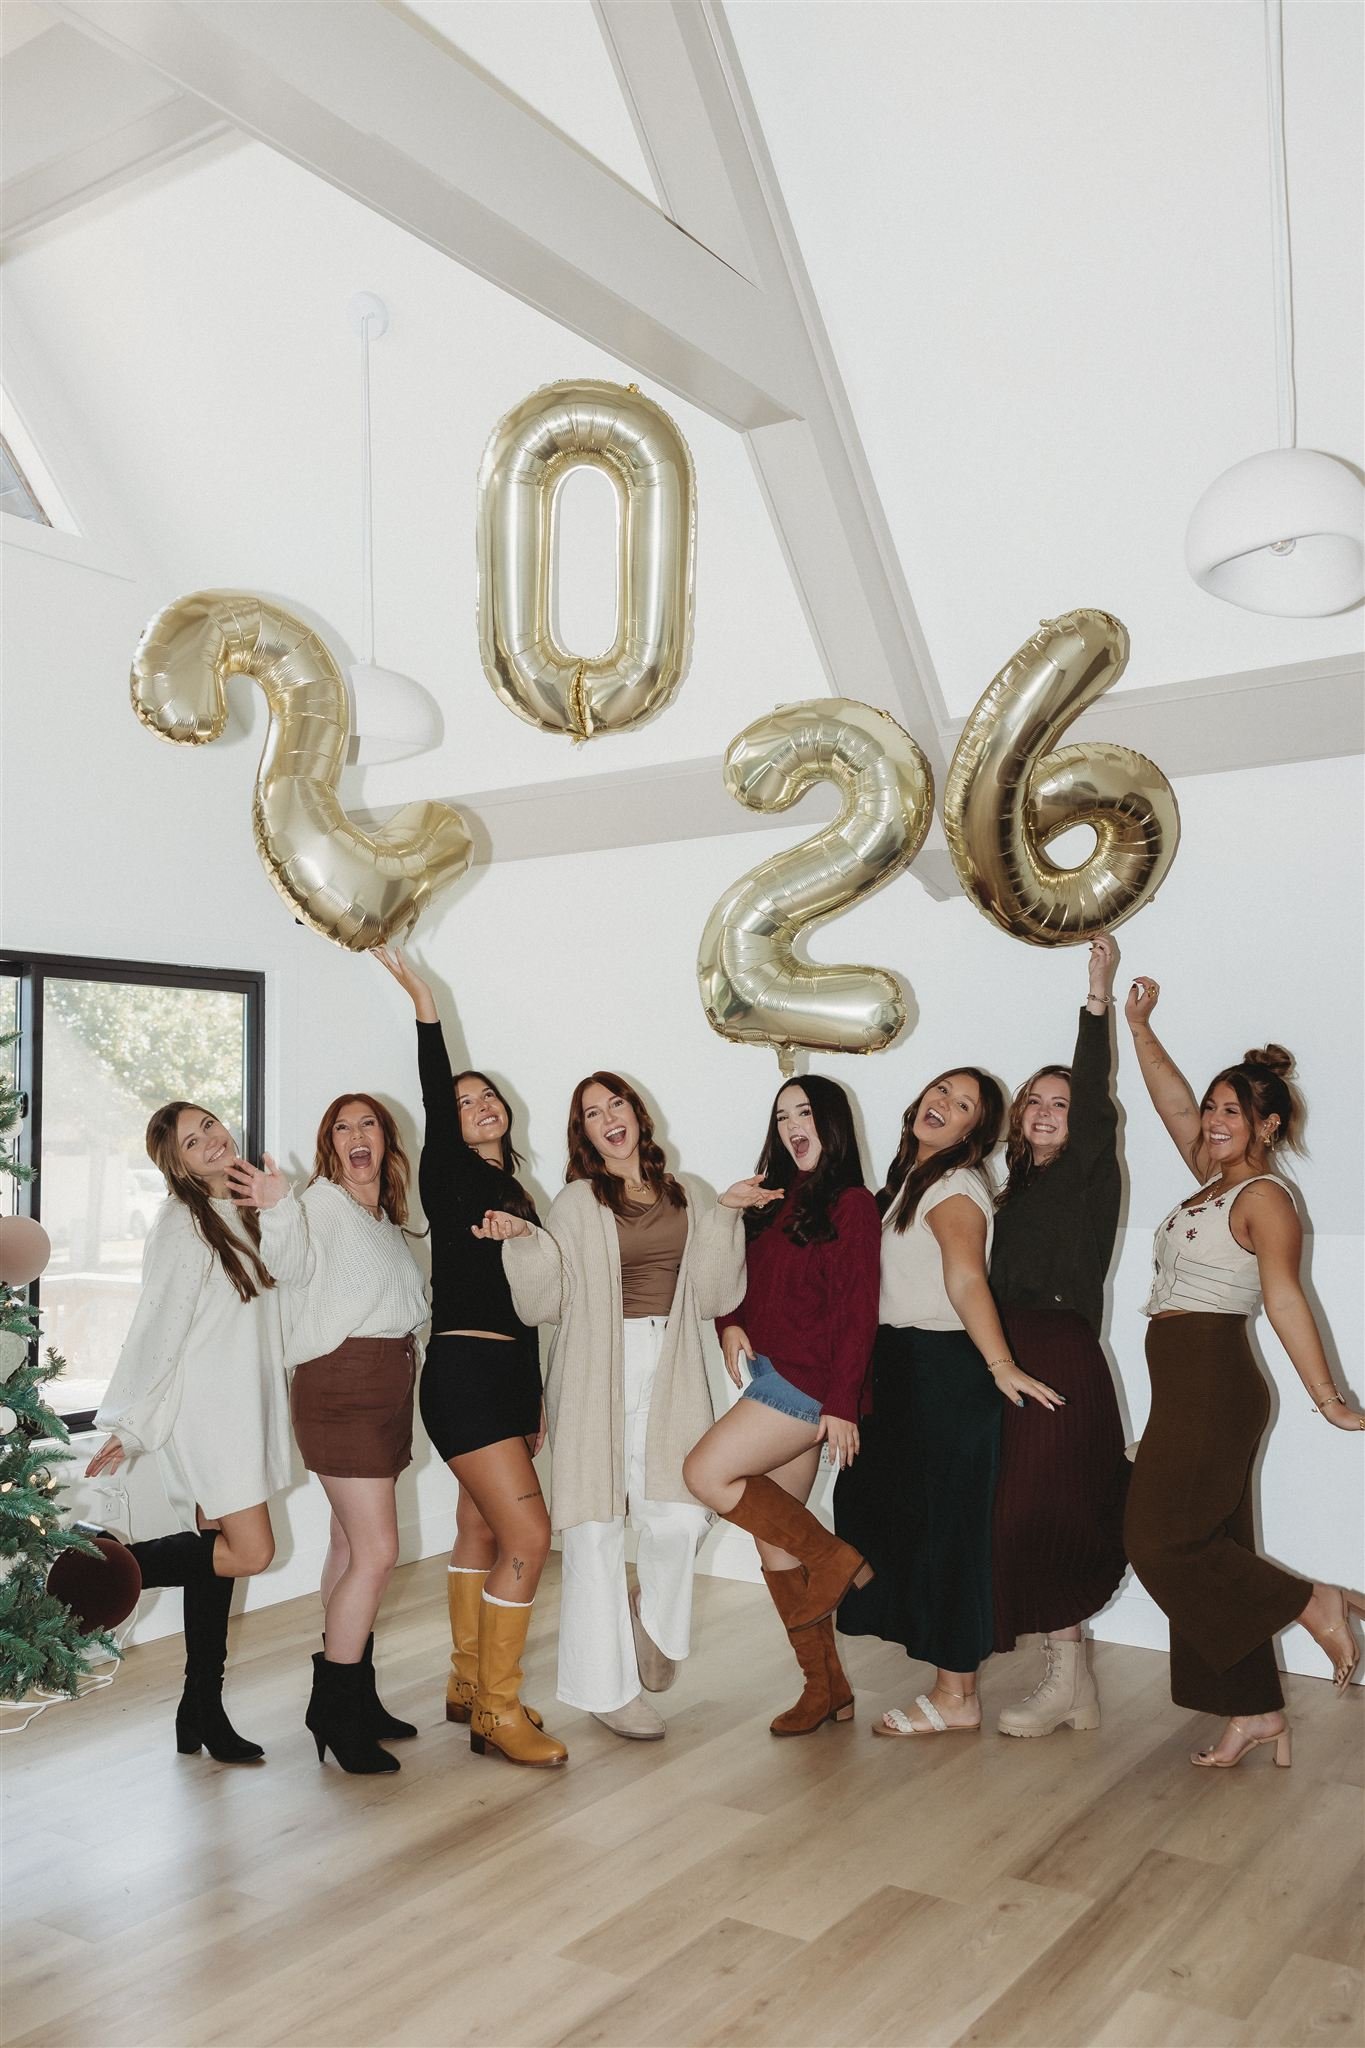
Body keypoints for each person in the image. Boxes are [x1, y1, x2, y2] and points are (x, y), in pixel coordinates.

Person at [478, 1073, 768, 1740]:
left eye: (616, 1105)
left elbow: (709, 1294)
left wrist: (725, 1214)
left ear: (638, 1115)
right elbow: (542, 1304)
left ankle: (648, 1619)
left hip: (668, 1370)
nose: (608, 1118)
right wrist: (523, 1244)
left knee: (682, 1514)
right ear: (583, 1133)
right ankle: (605, 1690)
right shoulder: (576, 1203)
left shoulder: (685, 1194)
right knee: (595, 1532)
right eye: (591, 1113)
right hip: (594, 1370)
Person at [1123, 979, 1363, 1768]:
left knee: (1158, 1543)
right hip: (1183, 1381)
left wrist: (1327, 1398)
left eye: (1232, 1111)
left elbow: (1286, 1300)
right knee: (1209, 1544)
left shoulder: (1264, 1197)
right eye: (1214, 1107)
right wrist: (1137, 1024)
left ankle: (1310, 1601)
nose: (1214, 1121)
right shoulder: (1209, 1181)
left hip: (1214, 1380)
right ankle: (1255, 1709)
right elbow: (1168, 1105)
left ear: (1266, 1124)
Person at [374, 946, 565, 1769]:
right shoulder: (448, 1171)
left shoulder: (522, 1194)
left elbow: (529, 1313)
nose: (479, 1104)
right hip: (461, 1374)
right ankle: (496, 1708)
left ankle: (464, 1684)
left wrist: (536, 1401)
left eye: (489, 1096)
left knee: (481, 1524)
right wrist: (423, 997)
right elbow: (431, 1077)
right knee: (531, 1533)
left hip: (505, 1377)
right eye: (463, 1099)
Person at [836, 1068, 1062, 1737]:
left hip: (941, 1371)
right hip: (901, 1369)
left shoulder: (954, 1186)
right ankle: (935, 1672)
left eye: (962, 1105)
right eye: (939, 1092)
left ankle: (957, 1696)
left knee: (948, 1533)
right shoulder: (907, 1182)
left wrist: (997, 1364)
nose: (942, 1104)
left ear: (974, 1131)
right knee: (881, 1517)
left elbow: (964, 1276)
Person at [228, 1094, 428, 1775]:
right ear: (330, 1147)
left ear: (385, 1140)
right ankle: (336, 1708)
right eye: (340, 1128)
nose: (354, 1136)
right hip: (342, 1388)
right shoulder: (318, 1205)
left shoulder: (384, 1220)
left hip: (385, 1384)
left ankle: (355, 1696)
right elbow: (288, 1263)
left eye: (366, 1123)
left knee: (350, 1545)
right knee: (377, 1552)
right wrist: (277, 1206)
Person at [86, 1102, 291, 1763]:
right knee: (251, 1552)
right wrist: (134, 1424)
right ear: (173, 1162)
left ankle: (200, 1709)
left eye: (212, 1127)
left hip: (240, 1406)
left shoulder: (242, 1202)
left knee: (217, 1563)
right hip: (207, 1418)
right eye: (192, 1139)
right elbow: (158, 1332)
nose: (211, 1141)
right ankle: (105, 1571)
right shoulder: (180, 1225)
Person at [682, 1077, 879, 1736]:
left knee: (705, 1473)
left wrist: (842, 1404)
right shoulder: (768, 1199)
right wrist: (730, 1320)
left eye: (805, 1112)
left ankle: (836, 1558)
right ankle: (826, 1688)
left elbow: (857, 1312)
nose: (793, 1124)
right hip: (772, 1371)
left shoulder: (852, 1204)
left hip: (808, 1382)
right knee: (774, 1547)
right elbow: (730, 1275)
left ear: (830, 1123)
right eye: (781, 1115)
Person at [988, 936, 1129, 1737]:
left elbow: (1099, 1095)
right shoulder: (1012, 1189)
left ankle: (1064, 1682)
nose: (1045, 1112)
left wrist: (1096, 999)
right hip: (1008, 1356)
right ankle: (1069, 1681)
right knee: (1022, 1512)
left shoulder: (1087, 1172)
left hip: (1058, 1352)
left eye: (1060, 1103)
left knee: (1044, 1513)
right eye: (1034, 1102)